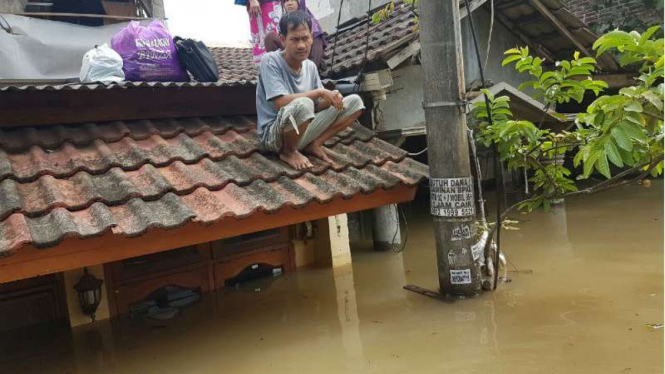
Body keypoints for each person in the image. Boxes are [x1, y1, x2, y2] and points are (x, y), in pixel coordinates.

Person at [256, 11, 364, 170]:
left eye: (305, 38)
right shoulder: (270, 60)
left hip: (301, 128)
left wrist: (330, 100)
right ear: (283, 39)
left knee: (355, 102)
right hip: (274, 136)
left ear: (312, 38)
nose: (301, 45)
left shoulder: (310, 66)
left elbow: (316, 106)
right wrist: (320, 92)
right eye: (294, 39)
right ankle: (288, 152)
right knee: (304, 103)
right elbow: (280, 103)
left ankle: (314, 144)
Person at [264, 0, 327, 71]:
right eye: (286, 1)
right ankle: (278, 70)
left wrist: (309, 71)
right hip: (291, 63)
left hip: (308, 63)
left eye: (292, 0)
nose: (289, 3)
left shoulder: (311, 22)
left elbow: (316, 52)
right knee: (270, 37)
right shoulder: (284, 24)